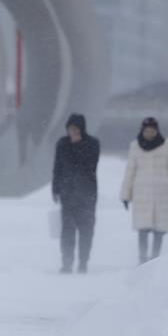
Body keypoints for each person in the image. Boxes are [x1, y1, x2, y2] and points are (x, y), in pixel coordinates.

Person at [120, 117, 168, 264]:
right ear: (142, 131)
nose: (149, 134)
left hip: (162, 194)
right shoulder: (135, 147)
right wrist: (125, 195)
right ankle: (142, 259)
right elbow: (130, 172)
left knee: (159, 231)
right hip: (141, 194)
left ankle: (155, 260)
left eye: (152, 131)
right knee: (142, 230)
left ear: (156, 131)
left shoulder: (166, 146)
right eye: (147, 131)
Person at [51, 113, 100, 274]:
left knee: (86, 230)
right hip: (67, 194)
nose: (72, 132)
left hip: (87, 195)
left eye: (75, 129)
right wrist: (55, 188)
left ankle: (83, 262)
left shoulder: (92, 144)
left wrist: (78, 146)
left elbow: (90, 166)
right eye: (70, 128)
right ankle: (67, 263)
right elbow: (57, 168)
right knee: (67, 231)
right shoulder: (62, 144)